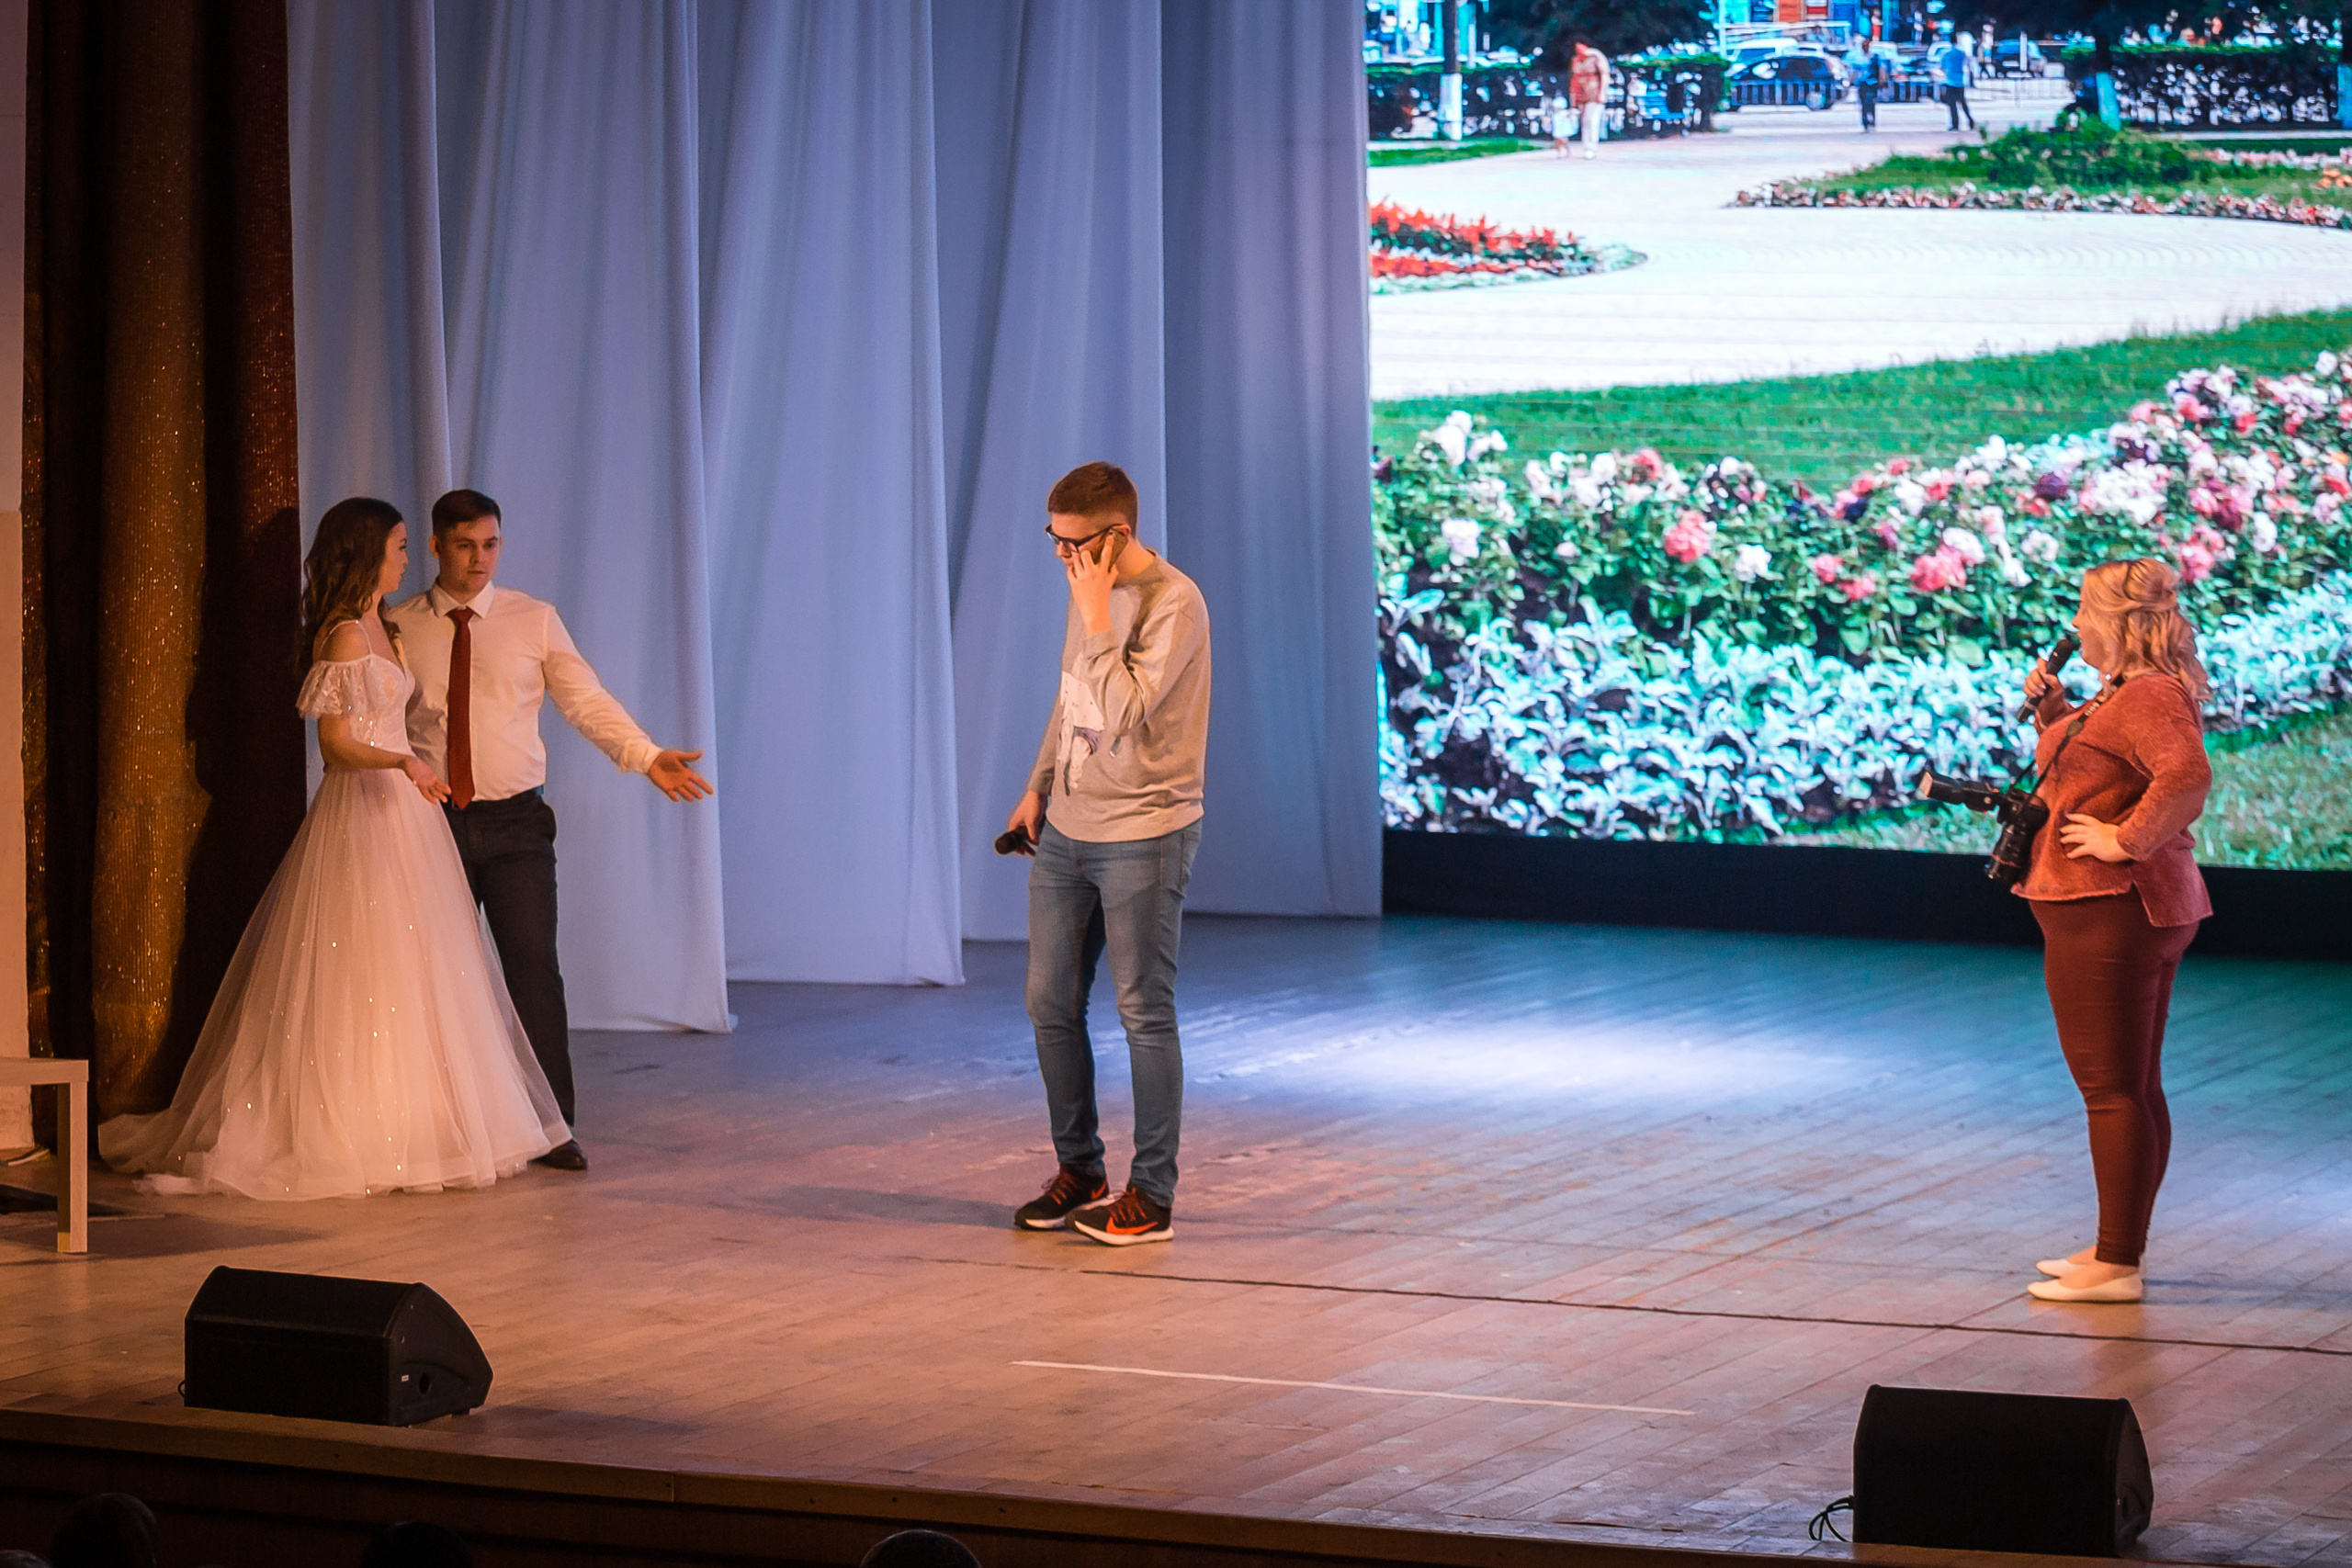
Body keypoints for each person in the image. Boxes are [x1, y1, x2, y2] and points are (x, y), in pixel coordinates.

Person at [100, 502, 566, 1194]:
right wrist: (404, 763)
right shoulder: (345, 634)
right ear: (367, 552)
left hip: (406, 819)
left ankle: (419, 1118)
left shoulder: (390, 625)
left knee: (417, 967)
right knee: (362, 963)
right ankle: (351, 1123)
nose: (408, 559)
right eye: (400, 547)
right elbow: (337, 743)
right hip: (365, 811)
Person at [388, 490, 714, 1174]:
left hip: (514, 822)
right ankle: (432, 1124)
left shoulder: (531, 619)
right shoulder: (400, 625)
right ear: (438, 545)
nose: (480, 560)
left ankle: (550, 1126)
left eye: (491, 545)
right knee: (429, 978)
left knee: (533, 968)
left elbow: (584, 699)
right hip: (430, 820)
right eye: (465, 545)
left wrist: (646, 754)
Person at [1003, 462, 1211, 1247]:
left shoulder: (1174, 603)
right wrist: (1038, 784)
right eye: (1053, 542)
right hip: (1070, 826)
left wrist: (1096, 617)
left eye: (1074, 544)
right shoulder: (1086, 593)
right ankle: (1079, 1169)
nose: (1061, 557)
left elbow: (1122, 712)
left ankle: (1150, 1196)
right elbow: (1074, 699)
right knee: (1048, 1001)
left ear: (1115, 534)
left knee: (1142, 1012)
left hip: (1145, 831)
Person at [2015, 558, 2212, 1304]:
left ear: (2120, 623)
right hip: (2118, 910)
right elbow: (2102, 765)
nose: (2077, 625)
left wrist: (2124, 840)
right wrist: (2055, 710)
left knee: (2111, 1092)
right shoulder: (2126, 692)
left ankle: (2118, 1263)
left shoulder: (2149, 693)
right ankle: (2114, 1245)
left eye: (2084, 610)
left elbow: (2186, 775)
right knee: (2131, 1086)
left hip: (2111, 909)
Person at [1568, 39, 1609, 160]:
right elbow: (1574, 79)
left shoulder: (1596, 57)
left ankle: (1591, 148)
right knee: (1585, 122)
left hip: (1594, 93)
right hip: (1581, 94)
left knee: (1593, 120)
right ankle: (1586, 147)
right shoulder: (1576, 61)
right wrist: (1573, 99)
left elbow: (1605, 74)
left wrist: (1602, 93)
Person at [1844, 35, 1888, 131]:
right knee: (1863, 103)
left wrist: (1882, 80)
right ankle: (1865, 122)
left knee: (1872, 103)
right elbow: (1854, 71)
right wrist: (1851, 82)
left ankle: (1872, 121)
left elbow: (1881, 69)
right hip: (1862, 83)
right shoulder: (1857, 57)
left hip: (1873, 83)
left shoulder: (1875, 56)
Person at [1938, 28, 1974, 130]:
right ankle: (1970, 121)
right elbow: (1966, 63)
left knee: (1952, 104)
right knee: (1962, 103)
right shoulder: (1961, 53)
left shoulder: (1947, 54)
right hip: (1960, 80)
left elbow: (1942, 67)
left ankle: (1955, 124)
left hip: (1950, 81)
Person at [1547, 93, 1572, 157]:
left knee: (1564, 142)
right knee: (1557, 142)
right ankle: (1559, 152)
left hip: (1563, 131)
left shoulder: (1564, 113)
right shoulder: (1554, 115)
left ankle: (1567, 151)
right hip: (1557, 131)